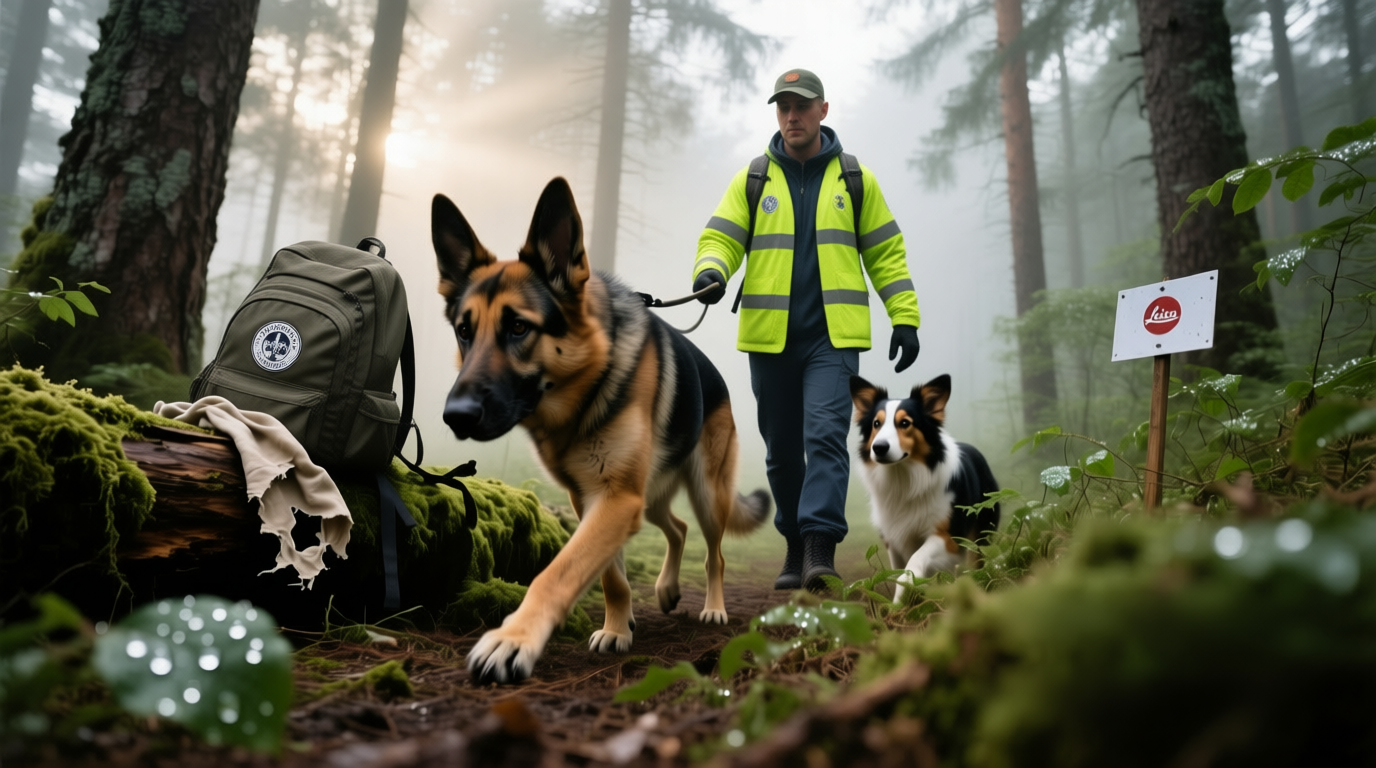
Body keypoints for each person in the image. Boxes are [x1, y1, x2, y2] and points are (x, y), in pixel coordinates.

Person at [691, 68, 922, 592]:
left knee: (825, 438)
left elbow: (886, 253)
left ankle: (819, 547)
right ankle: (794, 545)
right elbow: (720, 238)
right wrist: (711, 272)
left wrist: (904, 316)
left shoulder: (854, 179)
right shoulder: (753, 179)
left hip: (832, 340)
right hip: (769, 339)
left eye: (802, 106)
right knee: (781, 450)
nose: (792, 116)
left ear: (823, 109)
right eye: (783, 107)